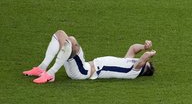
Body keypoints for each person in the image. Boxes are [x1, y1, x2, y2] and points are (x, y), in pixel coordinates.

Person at [23, 30, 156, 84]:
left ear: (143, 68)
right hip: (83, 66)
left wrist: (150, 53)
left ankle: (51, 74)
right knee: (60, 34)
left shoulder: (133, 72)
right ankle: (42, 68)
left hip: (83, 72)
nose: (140, 62)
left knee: (71, 41)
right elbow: (133, 48)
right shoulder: (127, 62)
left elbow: (142, 59)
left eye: (144, 63)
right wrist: (144, 47)